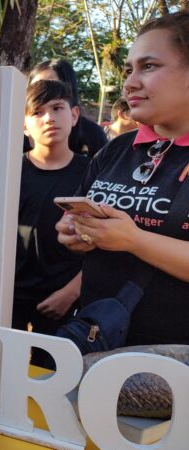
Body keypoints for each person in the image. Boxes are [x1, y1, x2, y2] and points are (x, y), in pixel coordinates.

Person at [56, 10, 189, 346]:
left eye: (149, 66)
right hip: (98, 347)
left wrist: (135, 240)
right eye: (129, 69)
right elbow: (80, 224)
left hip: (175, 367)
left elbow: (130, 238)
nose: (130, 82)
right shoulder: (117, 149)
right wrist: (76, 233)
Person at [14, 80, 88, 366]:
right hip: (10, 296)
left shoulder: (93, 171)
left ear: (74, 115)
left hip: (65, 297)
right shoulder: (9, 169)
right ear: (23, 125)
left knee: (54, 382)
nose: (49, 118)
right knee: (5, 379)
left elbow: (107, 245)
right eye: (37, 112)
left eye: (57, 108)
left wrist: (71, 292)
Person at [28, 59, 108, 157]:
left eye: (52, 84)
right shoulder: (15, 137)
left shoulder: (93, 134)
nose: (43, 91)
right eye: (37, 85)